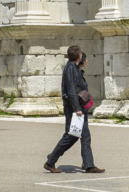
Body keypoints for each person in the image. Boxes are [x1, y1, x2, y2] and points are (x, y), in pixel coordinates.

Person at [44, 45, 105, 174]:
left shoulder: (75, 68)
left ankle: (88, 164)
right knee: (72, 136)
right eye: (82, 54)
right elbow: (71, 89)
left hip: (79, 107)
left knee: (82, 135)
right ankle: (51, 161)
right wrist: (77, 108)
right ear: (79, 56)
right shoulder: (70, 68)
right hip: (74, 108)